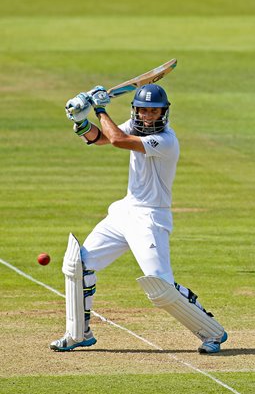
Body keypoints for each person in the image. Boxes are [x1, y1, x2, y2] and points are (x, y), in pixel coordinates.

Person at [50, 84, 227, 354]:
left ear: (164, 113)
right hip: (124, 211)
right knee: (78, 264)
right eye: (143, 110)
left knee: (160, 287)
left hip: (150, 218)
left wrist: (99, 108)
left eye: (153, 111)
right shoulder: (134, 125)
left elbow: (119, 140)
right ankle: (78, 334)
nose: (147, 116)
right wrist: (81, 122)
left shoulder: (166, 140)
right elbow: (102, 138)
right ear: (136, 111)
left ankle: (212, 332)